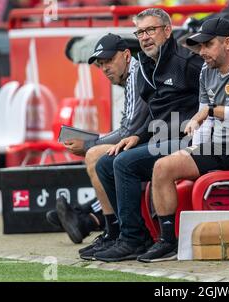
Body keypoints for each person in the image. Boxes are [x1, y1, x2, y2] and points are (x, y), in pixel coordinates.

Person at [137, 17, 229, 263]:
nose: (201, 52)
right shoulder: (206, 70)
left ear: (226, 43)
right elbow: (205, 119)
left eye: (207, 45)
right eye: (199, 46)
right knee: (162, 167)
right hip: (219, 146)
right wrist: (195, 147)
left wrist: (211, 111)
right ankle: (168, 241)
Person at [92, 8, 203, 262]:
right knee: (106, 163)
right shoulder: (146, 66)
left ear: (167, 30)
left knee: (124, 163)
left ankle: (133, 240)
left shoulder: (188, 63)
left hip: (190, 142)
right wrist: (138, 136)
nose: (145, 37)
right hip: (159, 139)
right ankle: (133, 235)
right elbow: (156, 116)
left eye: (151, 30)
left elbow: (212, 102)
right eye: (140, 32)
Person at [53, 33, 149, 261]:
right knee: (99, 154)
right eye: (100, 64)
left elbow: (128, 131)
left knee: (96, 155)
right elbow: (129, 128)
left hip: (162, 139)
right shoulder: (131, 77)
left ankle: (118, 232)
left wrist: (89, 144)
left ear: (126, 55)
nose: (105, 68)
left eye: (109, 61)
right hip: (153, 137)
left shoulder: (137, 74)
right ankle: (111, 230)